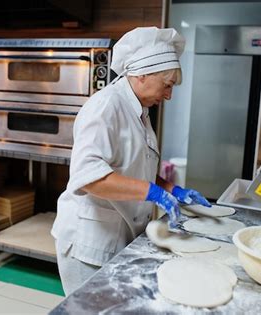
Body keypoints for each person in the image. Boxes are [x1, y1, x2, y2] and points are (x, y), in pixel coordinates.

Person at [51, 26, 211, 295]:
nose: (169, 95)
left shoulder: (140, 111)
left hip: (117, 236)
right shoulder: (105, 107)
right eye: (168, 85)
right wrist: (153, 192)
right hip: (88, 244)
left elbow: (137, 167)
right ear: (142, 74)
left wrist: (173, 190)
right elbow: (88, 176)